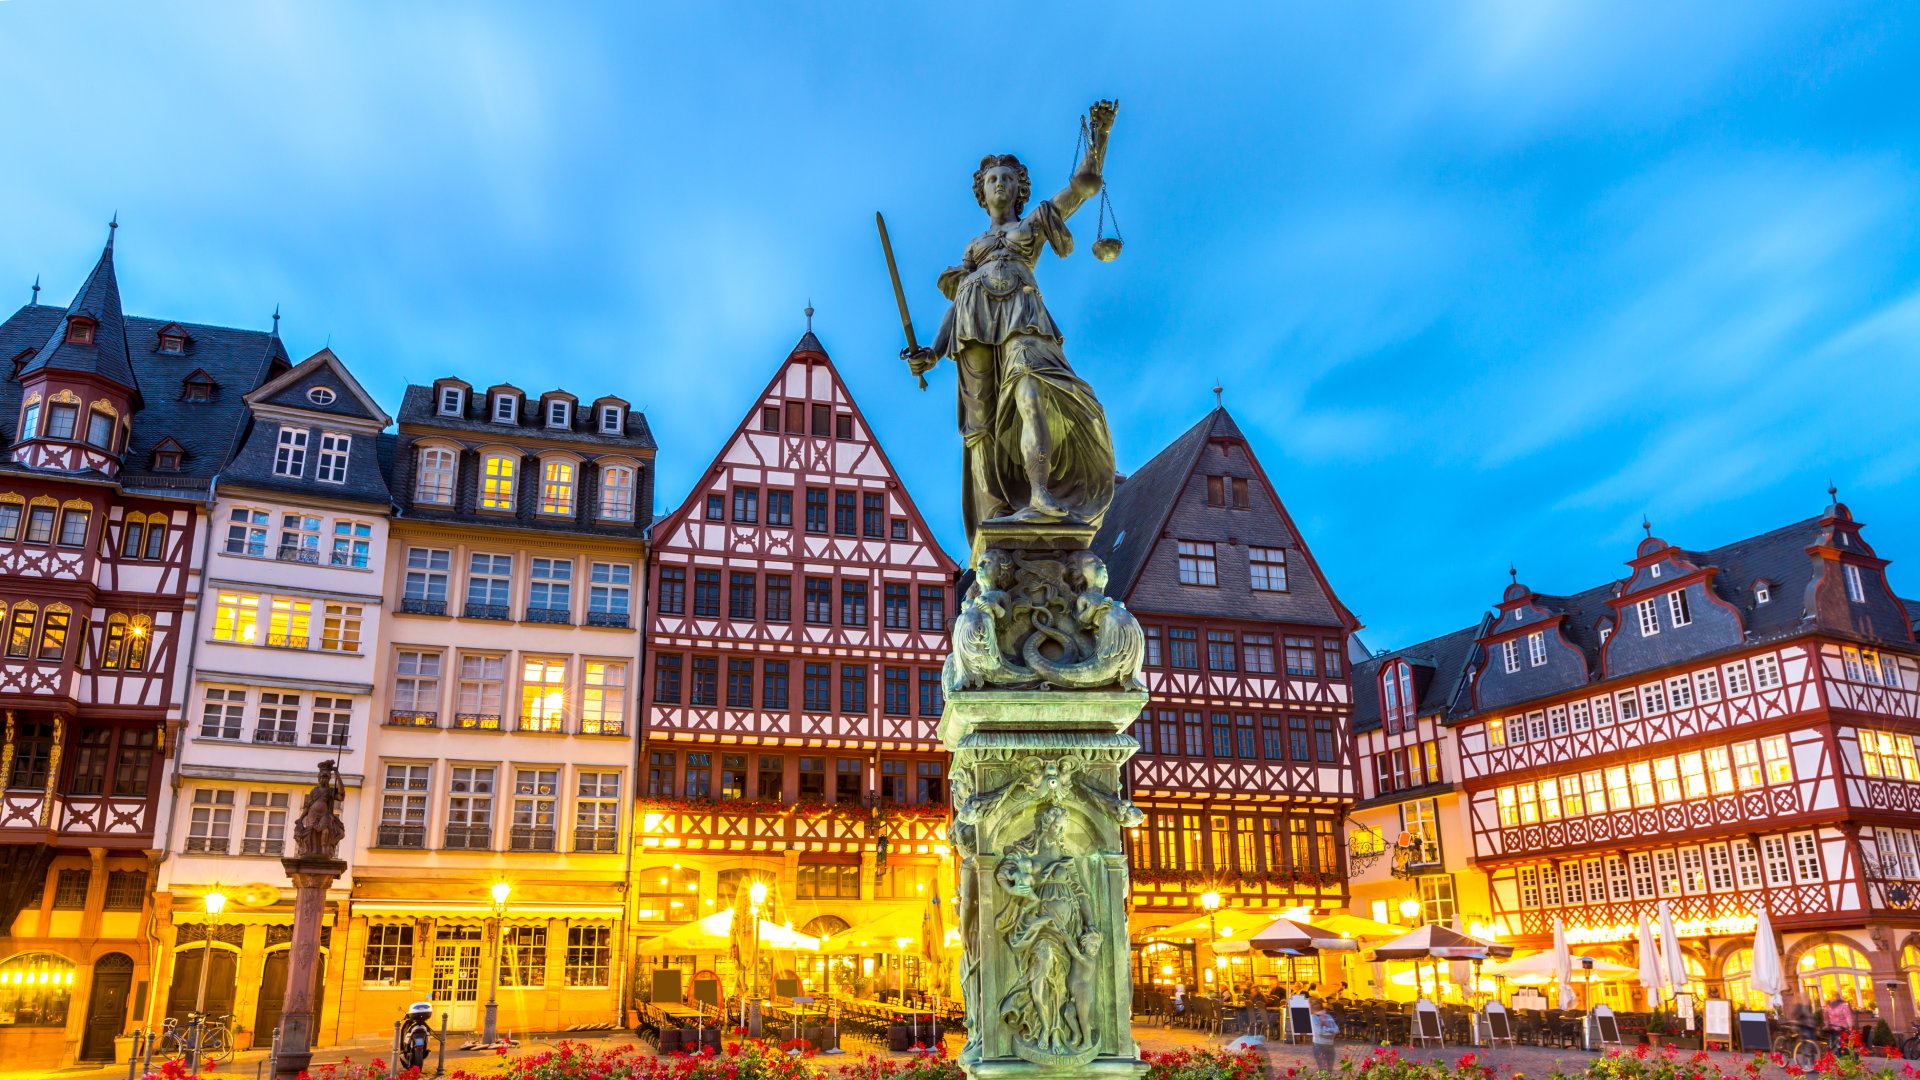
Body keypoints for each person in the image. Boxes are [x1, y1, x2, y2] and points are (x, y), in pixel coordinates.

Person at [1310, 998, 1340, 1073]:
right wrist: (1330, 1029)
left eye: (1317, 1003)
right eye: (1313, 1004)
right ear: (1311, 1007)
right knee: (1322, 1069)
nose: (1316, 1005)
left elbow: (1336, 1029)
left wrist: (1326, 1027)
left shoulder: (1328, 1016)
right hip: (1319, 1045)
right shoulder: (1313, 1018)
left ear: (1320, 1005)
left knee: (1330, 1070)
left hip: (1330, 1045)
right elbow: (1319, 1032)